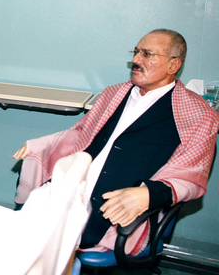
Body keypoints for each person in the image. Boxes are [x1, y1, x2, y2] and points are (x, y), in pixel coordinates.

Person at [12, 29, 219, 254]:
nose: (136, 60)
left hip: (111, 213)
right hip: (70, 192)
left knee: (38, 247)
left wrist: (148, 194)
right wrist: (42, 145)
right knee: (16, 235)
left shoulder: (198, 116)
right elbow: (82, 135)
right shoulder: (114, 94)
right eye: (136, 52)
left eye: (147, 54)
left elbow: (190, 179)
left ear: (173, 65)